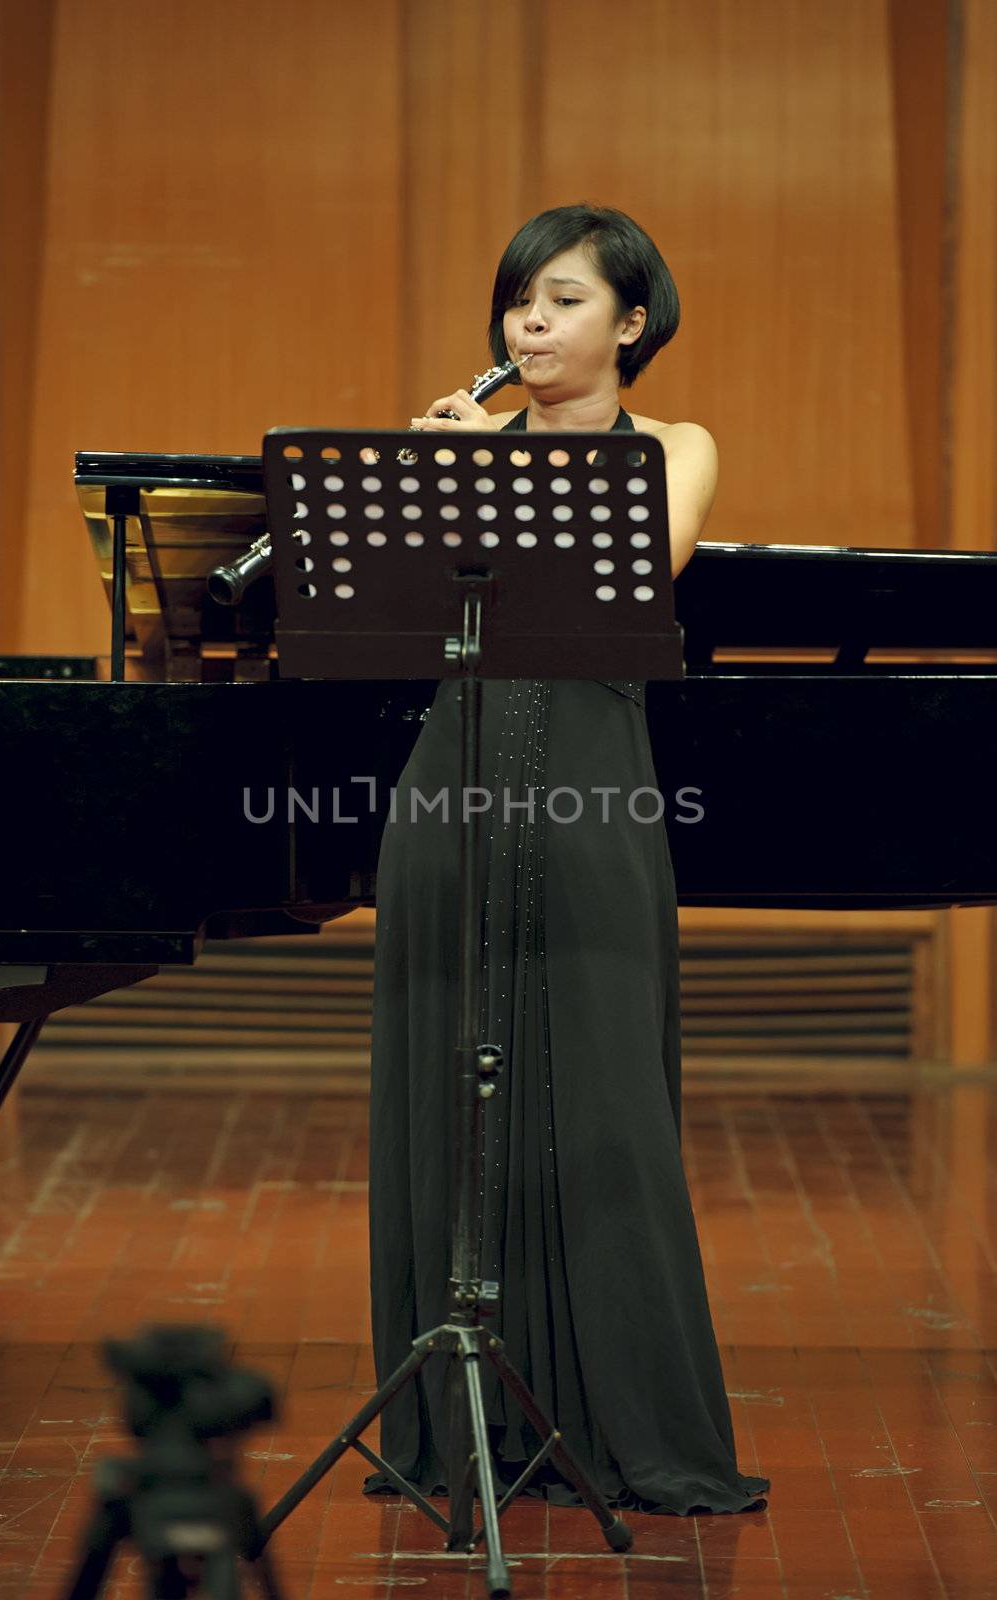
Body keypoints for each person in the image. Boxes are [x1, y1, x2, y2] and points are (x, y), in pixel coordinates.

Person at [364, 203, 769, 1516]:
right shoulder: (466, 446)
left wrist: (495, 471)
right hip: (457, 770)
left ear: (632, 321)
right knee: (447, 1080)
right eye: (518, 304)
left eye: (562, 301)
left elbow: (650, 564)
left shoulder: (677, 446)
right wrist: (439, 480)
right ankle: (455, 1421)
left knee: (602, 1091)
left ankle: (626, 1426)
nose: (529, 327)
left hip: (594, 777)